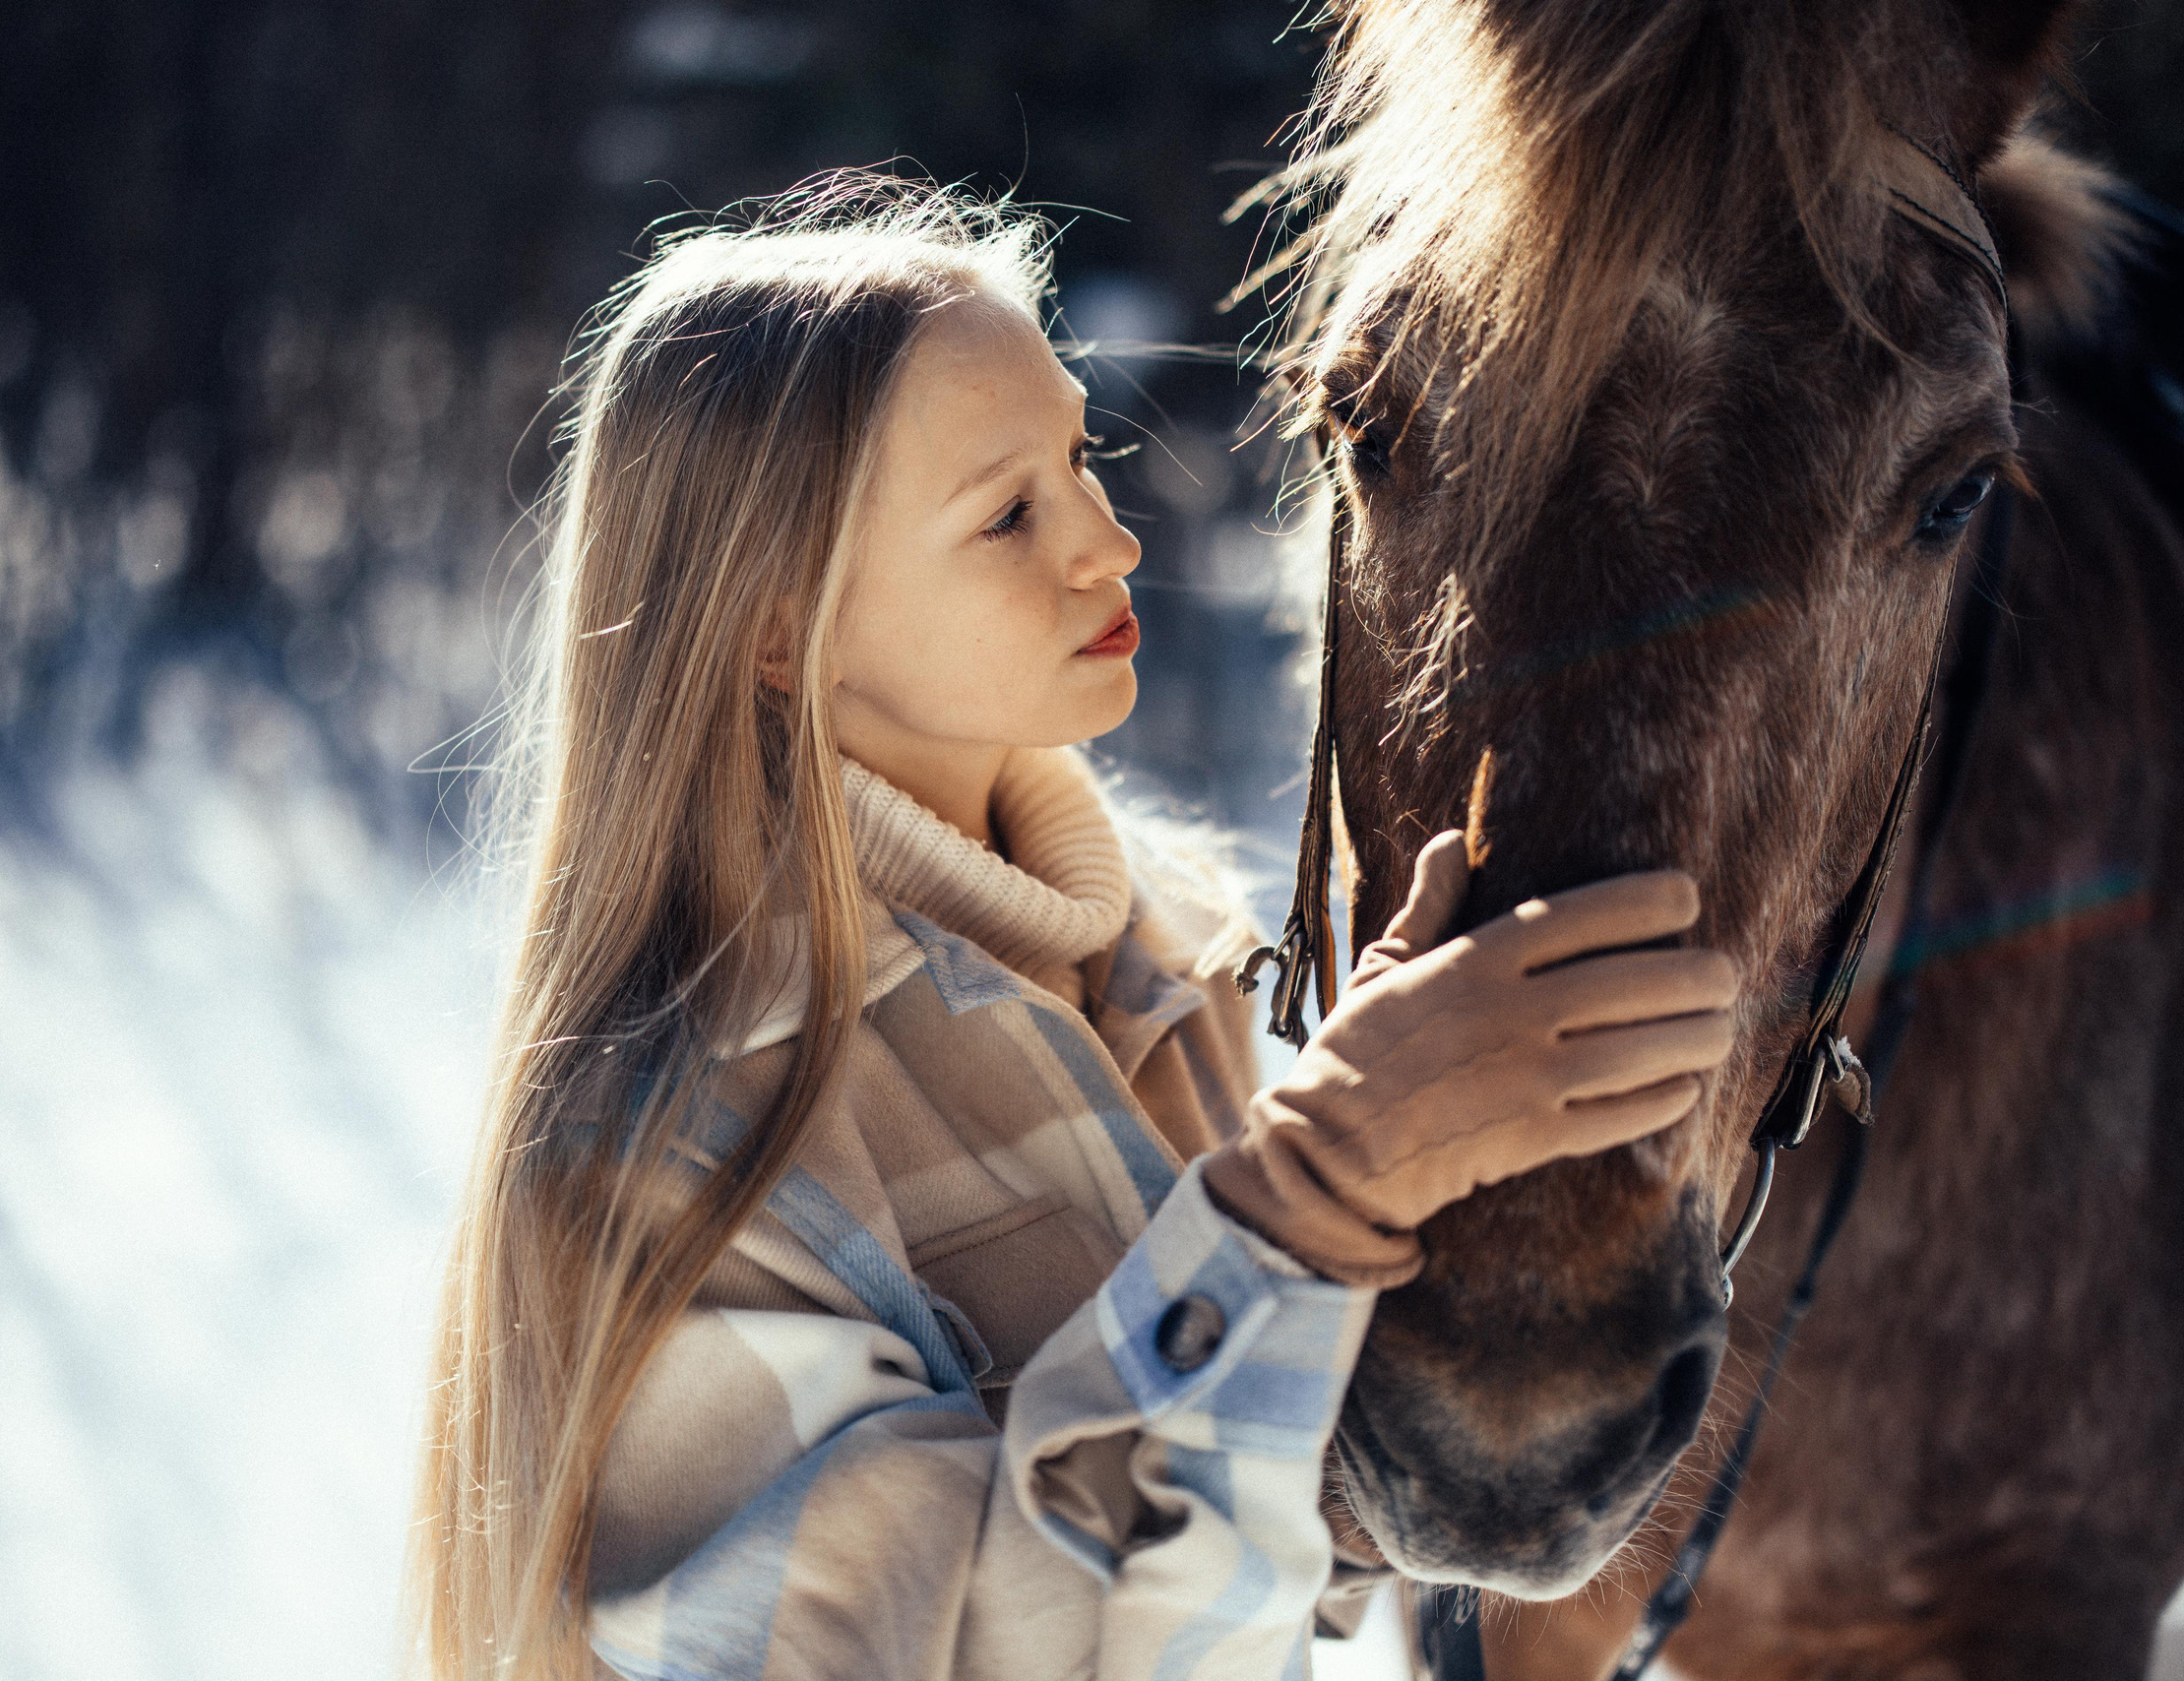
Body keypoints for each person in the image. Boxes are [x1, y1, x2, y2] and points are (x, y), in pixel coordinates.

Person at [409, 175, 1738, 1681]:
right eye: (1007, 514)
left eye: (1079, 457)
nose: (1109, 542)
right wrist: (1309, 1197)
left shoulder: (1160, 957)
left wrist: (1414, 1199)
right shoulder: (677, 1132)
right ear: (775, 626)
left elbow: (1268, 1577)